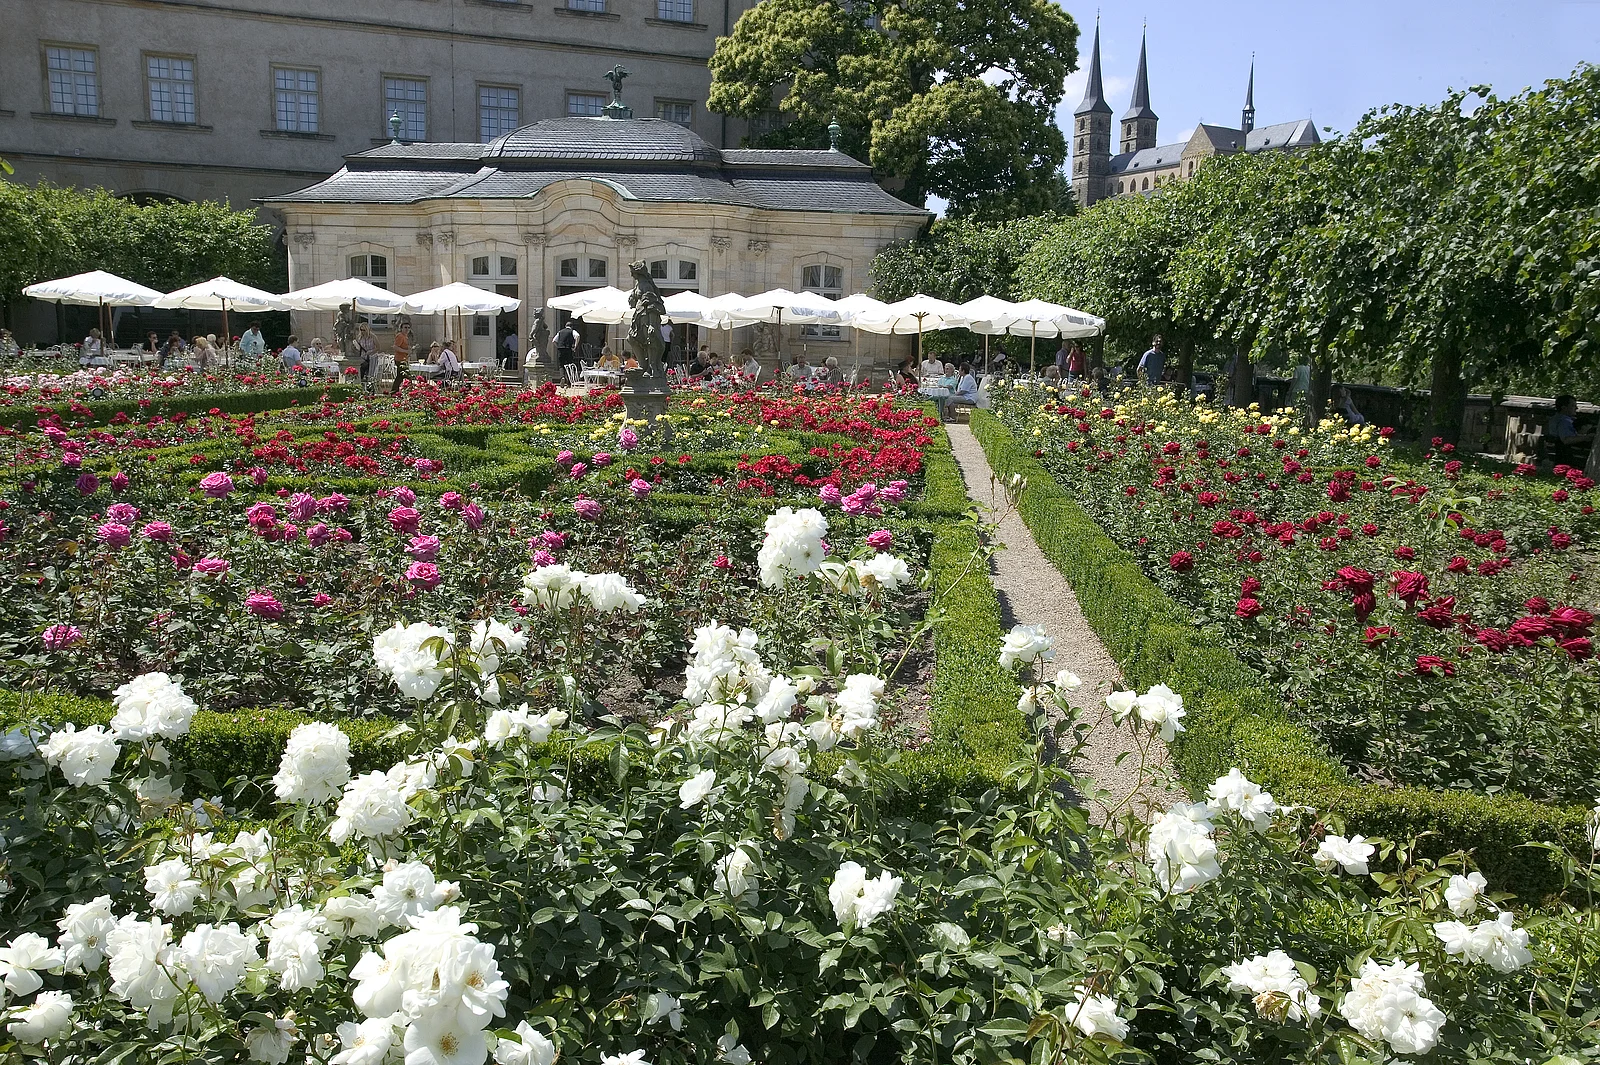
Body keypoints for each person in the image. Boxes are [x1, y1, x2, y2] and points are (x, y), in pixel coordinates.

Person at [1546, 394, 1583, 467]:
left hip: (1558, 454)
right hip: (1566, 456)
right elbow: (1566, 440)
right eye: (1572, 406)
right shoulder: (1564, 421)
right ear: (1564, 408)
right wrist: (1586, 437)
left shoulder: (1555, 418)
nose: (1576, 408)